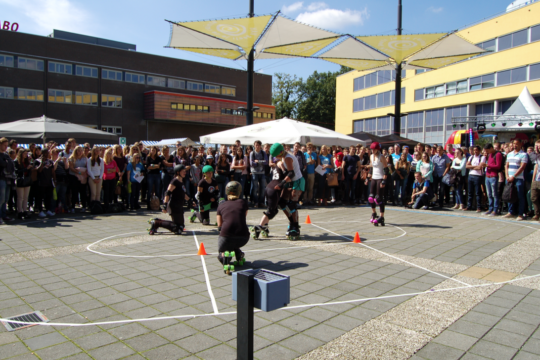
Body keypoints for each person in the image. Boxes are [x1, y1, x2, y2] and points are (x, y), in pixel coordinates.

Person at [269, 143, 305, 239]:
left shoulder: (288, 157)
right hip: (290, 181)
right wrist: (279, 163)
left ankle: (295, 227)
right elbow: (283, 168)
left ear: (280, 152)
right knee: (282, 203)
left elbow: (291, 173)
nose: (275, 157)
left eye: (276, 155)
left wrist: (281, 184)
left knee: (292, 205)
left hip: (297, 181)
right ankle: (292, 222)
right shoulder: (283, 156)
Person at [217, 181, 249, 274]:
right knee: (234, 240)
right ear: (239, 192)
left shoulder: (221, 205)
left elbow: (219, 225)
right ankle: (238, 254)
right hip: (243, 237)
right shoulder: (243, 203)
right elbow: (243, 217)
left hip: (226, 238)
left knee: (224, 247)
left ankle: (224, 257)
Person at [148, 165, 192, 235]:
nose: (185, 172)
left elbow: (183, 194)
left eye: (185, 171)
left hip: (179, 206)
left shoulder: (181, 181)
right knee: (177, 229)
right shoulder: (175, 181)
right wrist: (165, 205)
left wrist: (190, 201)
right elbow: (167, 193)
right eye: (183, 171)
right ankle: (156, 223)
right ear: (178, 172)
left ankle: (158, 221)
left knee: (181, 226)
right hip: (174, 206)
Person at [250, 160, 286, 240]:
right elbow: (286, 173)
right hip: (274, 189)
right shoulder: (281, 163)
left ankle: (265, 228)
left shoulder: (276, 165)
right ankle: (259, 227)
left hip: (270, 187)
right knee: (271, 211)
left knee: (273, 209)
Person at [504, 139, 528, 220]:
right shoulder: (509, 154)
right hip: (509, 178)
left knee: (520, 195)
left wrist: (513, 176)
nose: (515, 145)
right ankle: (510, 212)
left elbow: (522, 167)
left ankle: (520, 214)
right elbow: (506, 166)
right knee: (509, 194)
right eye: (514, 144)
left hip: (518, 178)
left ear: (521, 144)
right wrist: (507, 176)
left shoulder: (524, 154)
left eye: (517, 144)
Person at [368, 142, 390, 226]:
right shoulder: (371, 156)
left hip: (380, 178)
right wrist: (367, 178)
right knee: (370, 198)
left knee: (378, 199)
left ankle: (381, 217)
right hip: (373, 178)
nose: (372, 151)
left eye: (374, 149)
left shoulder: (382, 157)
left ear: (377, 150)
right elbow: (371, 168)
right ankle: (374, 213)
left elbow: (386, 169)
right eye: (371, 149)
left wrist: (384, 181)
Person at [465, 146, 486, 212]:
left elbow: (480, 167)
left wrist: (471, 167)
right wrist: (475, 167)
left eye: (476, 150)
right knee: (470, 192)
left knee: (478, 192)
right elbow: (467, 166)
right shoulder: (471, 157)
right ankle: (469, 206)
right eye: (474, 150)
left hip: (478, 176)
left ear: (479, 150)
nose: (475, 151)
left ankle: (479, 206)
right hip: (471, 175)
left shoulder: (482, 157)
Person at [36, 149, 55, 217]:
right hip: (41, 182)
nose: (46, 154)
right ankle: (40, 210)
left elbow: (52, 171)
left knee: (48, 197)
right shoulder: (37, 161)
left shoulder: (50, 161)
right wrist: (42, 162)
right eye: (45, 153)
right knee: (40, 197)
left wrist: (54, 180)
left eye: (47, 153)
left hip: (48, 182)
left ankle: (48, 210)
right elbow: (39, 171)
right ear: (42, 153)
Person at [68, 146, 88, 213]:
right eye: (78, 151)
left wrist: (84, 173)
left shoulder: (85, 158)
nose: (80, 152)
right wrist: (79, 172)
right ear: (75, 151)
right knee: (74, 192)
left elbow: (87, 166)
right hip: (74, 177)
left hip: (83, 177)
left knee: (83, 192)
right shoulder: (72, 158)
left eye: (81, 151)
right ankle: (73, 207)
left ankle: (84, 206)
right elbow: (71, 168)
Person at [484, 144, 502, 216]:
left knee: (494, 194)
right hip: (487, 176)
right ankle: (490, 208)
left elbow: (498, 166)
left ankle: (495, 209)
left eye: (488, 150)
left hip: (493, 176)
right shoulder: (489, 155)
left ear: (491, 148)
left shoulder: (498, 154)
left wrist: (488, 165)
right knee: (489, 194)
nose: (487, 152)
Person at [14, 149, 33, 219]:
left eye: (26, 153)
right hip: (20, 181)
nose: (25, 155)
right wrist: (26, 169)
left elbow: (29, 170)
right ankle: (19, 212)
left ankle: (25, 211)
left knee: (25, 197)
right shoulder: (16, 161)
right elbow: (16, 171)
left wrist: (30, 167)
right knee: (20, 197)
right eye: (24, 153)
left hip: (27, 180)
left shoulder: (26, 161)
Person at [250, 140, 268, 208]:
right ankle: (256, 202)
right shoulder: (252, 153)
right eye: (256, 145)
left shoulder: (263, 153)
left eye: (258, 145)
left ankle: (261, 202)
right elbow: (251, 163)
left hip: (262, 172)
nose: (257, 146)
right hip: (254, 172)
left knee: (263, 188)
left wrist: (258, 161)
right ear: (254, 145)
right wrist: (260, 162)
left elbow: (266, 162)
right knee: (255, 188)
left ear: (260, 146)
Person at [51, 148, 69, 213]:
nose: (56, 155)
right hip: (56, 180)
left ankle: (64, 209)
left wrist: (65, 162)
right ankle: (53, 209)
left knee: (62, 195)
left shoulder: (61, 162)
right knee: (54, 196)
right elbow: (54, 168)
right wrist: (57, 160)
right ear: (52, 154)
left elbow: (66, 168)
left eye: (57, 153)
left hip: (63, 180)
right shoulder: (51, 161)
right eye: (55, 153)